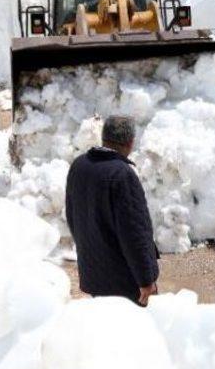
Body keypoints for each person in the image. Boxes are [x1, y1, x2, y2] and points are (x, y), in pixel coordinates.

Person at [65, 114, 159, 305]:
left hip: (94, 272)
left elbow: (72, 216)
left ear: (104, 137)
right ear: (130, 142)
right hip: (123, 281)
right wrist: (146, 280)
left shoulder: (79, 165)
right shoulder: (122, 175)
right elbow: (134, 232)